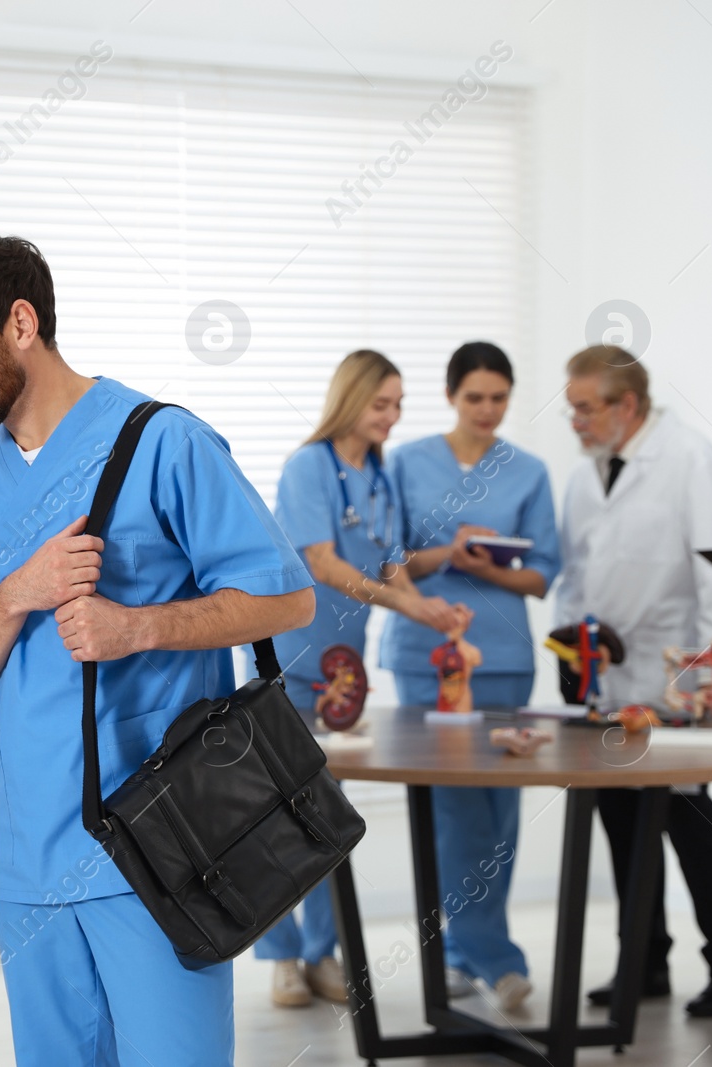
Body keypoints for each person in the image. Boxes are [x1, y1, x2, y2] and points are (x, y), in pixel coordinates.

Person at [0, 227, 315, 1067]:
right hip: (28, 854)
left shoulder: (163, 442)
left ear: (20, 323)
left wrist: (141, 626)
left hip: (159, 847)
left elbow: (289, 596)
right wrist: (18, 591)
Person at [255, 348, 466, 1009]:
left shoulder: (380, 475)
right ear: (349, 400)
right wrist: (405, 602)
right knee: (276, 817)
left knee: (326, 815)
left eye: (399, 404)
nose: (392, 417)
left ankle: (323, 952)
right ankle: (283, 957)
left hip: (345, 671)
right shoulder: (307, 467)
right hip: (290, 662)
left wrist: (426, 606)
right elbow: (321, 561)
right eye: (382, 404)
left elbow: (390, 560)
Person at [556, 345, 712, 1018]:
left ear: (629, 405)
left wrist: (710, 679)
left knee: (689, 819)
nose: (575, 420)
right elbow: (575, 576)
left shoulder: (689, 459)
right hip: (610, 682)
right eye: (573, 407)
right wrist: (570, 647)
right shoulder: (587, 475)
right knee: (620, 819)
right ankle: (643, 963)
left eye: (585, 407)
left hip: (678, 679)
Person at [381, 341, 562, 1013]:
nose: (488, 410)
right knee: (453, 808)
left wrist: (484, 564)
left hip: (505, 657)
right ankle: (497, 956)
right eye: (475, 397)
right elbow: (388, 559)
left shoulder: (530, 471)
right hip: (427, 655)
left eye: (499, 397)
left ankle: (461, 950)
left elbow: (542, 574)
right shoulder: (403, 463)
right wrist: (447, 554)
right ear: (452, 395)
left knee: (498, 811)